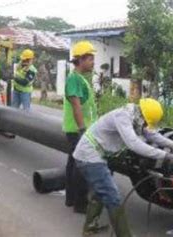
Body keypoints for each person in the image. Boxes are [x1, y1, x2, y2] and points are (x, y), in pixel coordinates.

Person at [74, 99, 173, 236]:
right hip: (89, 156)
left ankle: (89, 228)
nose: (145, 125)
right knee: (113, 197)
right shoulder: (122, 117)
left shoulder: (135, 116)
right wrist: (165, 155)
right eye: (145, 121)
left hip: (98, 154)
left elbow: (150, 134)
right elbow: (134, 144)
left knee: (100, 191)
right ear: (142, 115)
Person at [63, 41, 98, 213]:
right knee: (81, 166)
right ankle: (80, 203)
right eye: (90, 58)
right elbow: (76, 106)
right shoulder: (74, 79)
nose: (93, 62)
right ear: (81, 59)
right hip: (78, 130)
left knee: (73, 164)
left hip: (78, 129)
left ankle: (71, 199)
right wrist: (83, 129)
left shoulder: (79, 78)